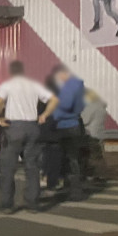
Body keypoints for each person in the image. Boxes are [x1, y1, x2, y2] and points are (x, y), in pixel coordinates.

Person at [0, 60, 58, 213]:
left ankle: (7, 204)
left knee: (8, 167)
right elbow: (54, 100)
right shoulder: (34, 85)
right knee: (32, 166)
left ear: (11, 71)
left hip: (14, 128)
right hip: (32, 127)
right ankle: (32, 203)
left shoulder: (7, 85)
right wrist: (44, 115)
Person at [50, 64, 86, 201]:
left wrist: (54, 110)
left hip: (65, 127)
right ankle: (73, 187)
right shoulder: (78, 87)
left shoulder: (69, 87)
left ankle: (74, 191)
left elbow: (65, 105)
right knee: (72, 158)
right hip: (74, 125)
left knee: (69, 159)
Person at [81, 89, 107, 180]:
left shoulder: (92, 107)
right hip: (100, 134)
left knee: (92, 156)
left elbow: (84, 120)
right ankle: (102, 174)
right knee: (99, 155)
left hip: (91, 134)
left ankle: (95, 174)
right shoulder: (101, 107)